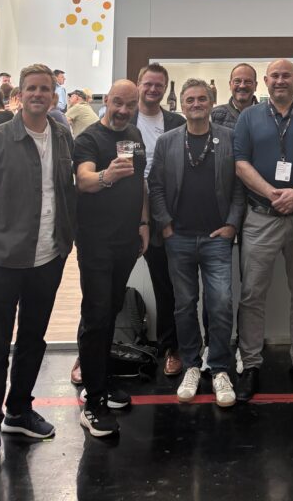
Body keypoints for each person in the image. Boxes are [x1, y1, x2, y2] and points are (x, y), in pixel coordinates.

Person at [0, 64, 76, 462]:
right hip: (1, 261)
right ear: (19, 95)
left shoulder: (62, 136)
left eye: (45, 88)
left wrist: (65, 242)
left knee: (33, 340)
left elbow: (64, 191)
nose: (38, 94)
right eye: (31, 88)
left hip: (48, 258)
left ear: (54, 96)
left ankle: (19, 411)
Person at [233, 58, 293, 401]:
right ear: (265, 80)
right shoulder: (248, 117)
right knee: (251, 294)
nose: (280, 80)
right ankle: (251, 364)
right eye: (274, 75)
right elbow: (240, 163)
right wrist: (272, 193)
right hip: (261, 216)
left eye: (286, 75)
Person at [148, 79, 245, 408]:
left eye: (202, 98)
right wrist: (165, 224)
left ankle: (219, 368)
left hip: (217, 237)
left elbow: (239, 187)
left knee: (220, 303)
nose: (196, 104)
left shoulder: (230, 138)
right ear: (182, 104)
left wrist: (232, 224)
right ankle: (191, 364)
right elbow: (155, 185)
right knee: (184, 304)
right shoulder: (167, 141)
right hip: (179, 238)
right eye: (190, 99)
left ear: (211, 102)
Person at [74, 80, 149, 437]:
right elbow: (83, 179)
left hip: (125, 241)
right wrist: (106, 175)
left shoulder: (134, 134)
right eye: (117, 102)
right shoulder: (89, 138)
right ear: (106, 100)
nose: (122, 110)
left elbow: (140, 183)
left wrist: (144, 222)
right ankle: (93, 402)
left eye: (130, 104)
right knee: (96, 314)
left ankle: (101, 381)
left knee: (112, 309)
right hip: (95, 242)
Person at [131, 63, 186, 378]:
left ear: (165, 89)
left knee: (166, 284)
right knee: (105, 287)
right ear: (138, 84)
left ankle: (171, 348)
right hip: (126, 213)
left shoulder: (177, 122)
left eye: (158, 86)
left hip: (165, 212)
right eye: (148, 84)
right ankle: (91, 352)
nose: (153, 90)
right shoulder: (124, 119)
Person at [211, 63, 259, 129]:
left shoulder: (267, 115)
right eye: (237, 81)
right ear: (230, 85)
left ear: (255, 85)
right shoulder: (214, 115)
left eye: (248, 82)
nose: (242, 86)